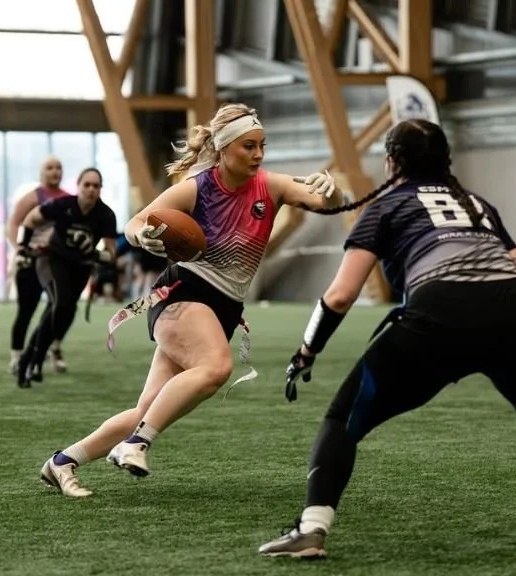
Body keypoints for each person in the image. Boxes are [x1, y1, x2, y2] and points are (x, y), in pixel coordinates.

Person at [258, 119, 516, 559]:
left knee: (343, 419)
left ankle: (311, 530)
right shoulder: (476, 203)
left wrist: (307, 350)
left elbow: (341, 295)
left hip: (442, 314)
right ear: (446, 161)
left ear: (392, 162)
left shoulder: (386, 206)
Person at [38, 102, 344, 498]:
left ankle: (62, 462)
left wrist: (334, 189)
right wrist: (141, 236)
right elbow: (135, 223)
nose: (258, 154)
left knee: (144, 409)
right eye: (248, 146)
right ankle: (135, 444)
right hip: (184, 294)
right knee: (217, 366)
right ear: (223, 147)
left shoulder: (272, 185)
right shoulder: (197, 187)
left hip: (225, 309)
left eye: (262, 145)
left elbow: (329, 204)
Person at [16, 168, 118, 388]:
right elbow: (30, 219)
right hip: (53, 259)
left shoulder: (106, 215)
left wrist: (95, 254)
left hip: (80, 267)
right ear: (78, 186)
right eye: (87, 185)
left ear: (101, 189)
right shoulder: (62, 205)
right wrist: (23, 247)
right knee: (61, 304)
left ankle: (29, 358)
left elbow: (111, 254)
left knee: (64, 311)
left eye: (96, 185)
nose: (91, 189)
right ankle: (35, 359)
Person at [5, 156, 72, 375]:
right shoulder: (33, 197)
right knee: (27, 309)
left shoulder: (69, 199)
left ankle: (53, 346)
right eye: (50, 168)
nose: (55, 172)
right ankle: (16, 356)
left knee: (62, 307)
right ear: (41, 173)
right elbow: (13, 223)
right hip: (32, 260)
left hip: (56, 261)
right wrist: (19, 248)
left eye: (58, 168)